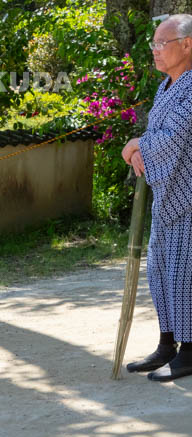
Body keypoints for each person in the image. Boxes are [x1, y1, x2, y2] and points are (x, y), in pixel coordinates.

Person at [122, 14, 192, 382]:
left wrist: (138, 146)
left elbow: (173, 137)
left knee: (185, 274)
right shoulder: (167, 86)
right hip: (167, 195)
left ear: (187, 44)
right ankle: (168, 343)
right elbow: (156, 136)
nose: (155, 51)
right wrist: (138, 151)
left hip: (190, 196)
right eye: (153, 45)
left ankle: (191, 350)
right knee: (162, 270)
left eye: (162, 44)